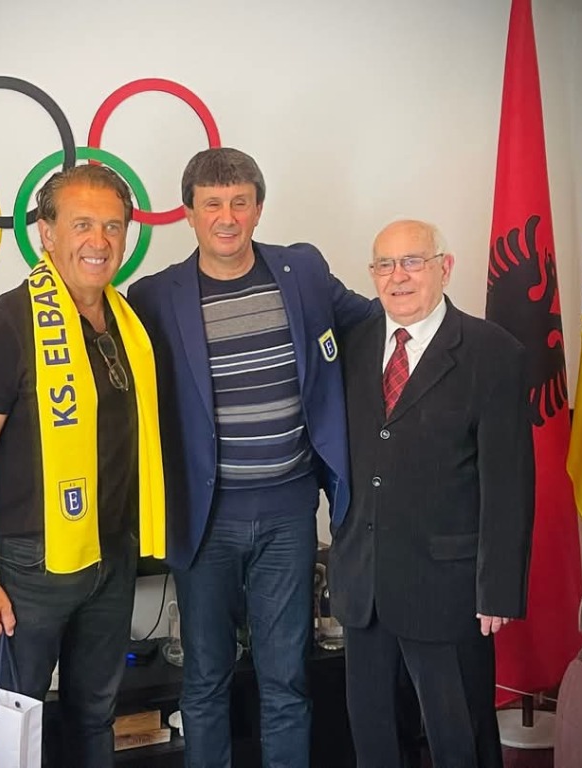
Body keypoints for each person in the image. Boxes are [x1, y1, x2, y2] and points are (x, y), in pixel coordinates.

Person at [127, 147, 374, 767]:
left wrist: (443, 335)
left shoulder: (303, 271)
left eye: (240, 202)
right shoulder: (153, 296)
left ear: (259, 208)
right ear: (189, 214)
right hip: (205, 518)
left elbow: (372, 326)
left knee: (286, 678)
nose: (227, 217)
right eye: (212, 204)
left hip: (290, 513)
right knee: (205, 678)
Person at [0, 164, 166, 767]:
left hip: (111, 556)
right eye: (82, 224)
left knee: (95, 717)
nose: (99, 241)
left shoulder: (126, 323)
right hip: (29, 567)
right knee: (10, 729)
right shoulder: (6, 323)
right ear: (46, 233)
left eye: (112, 226)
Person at [328, 219, 535, 768]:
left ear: (445, 267)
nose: (397, 276)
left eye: (412, 261)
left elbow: (509, 483)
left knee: (460, 737)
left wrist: (498, 590)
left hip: (448, 590)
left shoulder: (494, 353)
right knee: (375, 739)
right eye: (384, 265)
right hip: (364, 586)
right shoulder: (352, 346)